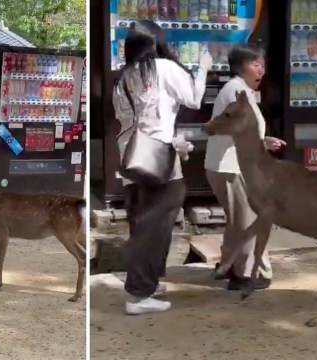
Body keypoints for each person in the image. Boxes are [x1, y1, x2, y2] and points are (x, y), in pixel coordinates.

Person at [113, 20, 213, 315]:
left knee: (141, 223)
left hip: (131, 159)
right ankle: (139, 294)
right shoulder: (164, 69)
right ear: (158, 42)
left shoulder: (124, 77)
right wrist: (204, 67)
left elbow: (134, 121)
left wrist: (174, 140)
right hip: (159, 161)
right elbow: (194, 99)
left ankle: (148, 283)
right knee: (155, 226)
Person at [204, 44, 286, 291]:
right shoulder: (236, 91)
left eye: (262, 64)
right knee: (248, 221)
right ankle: (245, 273)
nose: (261, 70)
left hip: (232, 165)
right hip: (231, 166)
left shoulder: (241, 91)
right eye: (255, 64)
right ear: (241, 67)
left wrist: (264, 142)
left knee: (239, 220)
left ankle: (229, 267)